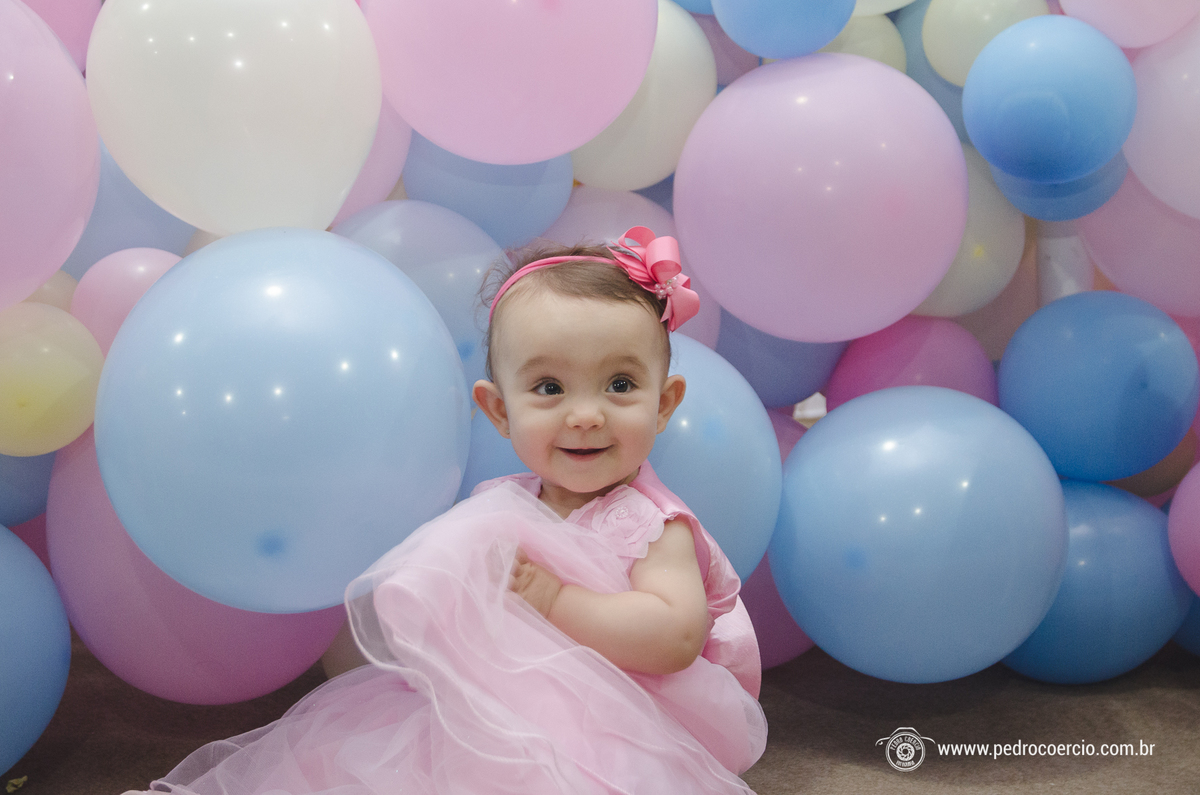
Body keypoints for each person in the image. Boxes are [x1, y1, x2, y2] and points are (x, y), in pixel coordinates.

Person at [127, 227, 767, 795]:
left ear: (664, 403)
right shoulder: (502, 507)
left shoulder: (651, 526)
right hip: (499, 709)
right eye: (549, 388)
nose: (585, 413)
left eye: (620, 385)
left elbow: (674, 637)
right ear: (498, 411)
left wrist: (555, 601)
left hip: (622, 724)